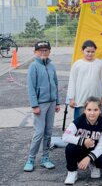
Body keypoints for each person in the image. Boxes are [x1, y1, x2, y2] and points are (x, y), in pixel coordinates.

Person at [24, 40, 60, 172]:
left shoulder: (51, 66)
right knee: (39, 132)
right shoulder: (34, 66)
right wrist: (34, 105)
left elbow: (56, 84)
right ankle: (31, 159)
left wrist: (57, 102)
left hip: (51, 103)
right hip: (40, 104)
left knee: (48, 132)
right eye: (40, 51)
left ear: (49, 51)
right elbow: (31, 88)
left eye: (46, 50)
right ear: (35, 52)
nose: (43, 52)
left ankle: (45, 158)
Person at [62, 97, 102, 185]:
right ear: (84, 110)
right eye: (89, 109)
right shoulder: (79, 121)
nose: (92, 113)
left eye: (95, 110)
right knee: (70, 148)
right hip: (80, 149)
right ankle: (72, 172)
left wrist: (89, 158)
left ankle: (93, 164)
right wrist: (83, 141)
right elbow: (65, 137)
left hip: (94, 150)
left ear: (100, 111)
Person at [67, 40, 102, 120]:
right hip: (80, 100)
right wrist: (71, 98)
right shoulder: (77, 64)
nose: (90, 53)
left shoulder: (99, 63)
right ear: (82, 51)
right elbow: (72, 81)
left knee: (95, 121)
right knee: (79, 122)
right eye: (88, 51)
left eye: (92, 52)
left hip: (96, 98)